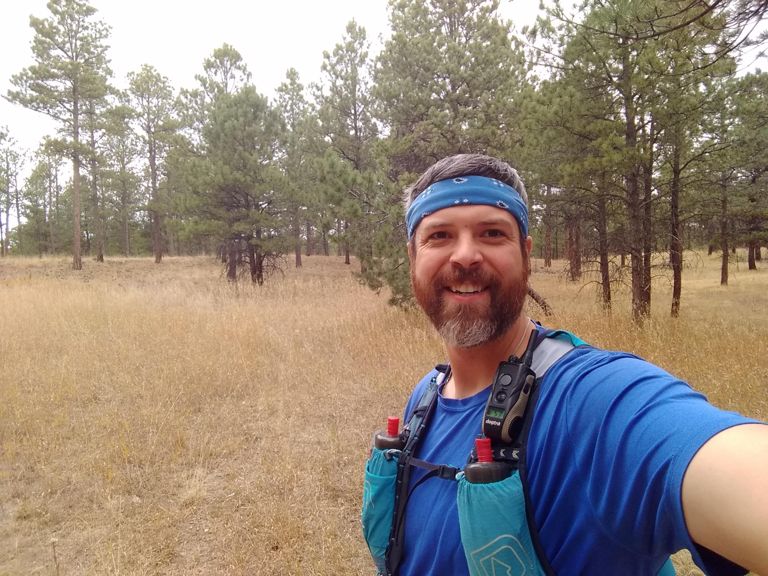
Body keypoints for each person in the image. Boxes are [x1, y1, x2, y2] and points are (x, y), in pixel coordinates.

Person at [362, 154, 768, 576]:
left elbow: (719, 461)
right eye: (440, 235)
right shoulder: (426, 397)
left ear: (526, 254)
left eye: (492, 233)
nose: (465, 255)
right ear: (413, 257)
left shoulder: (594, 399)